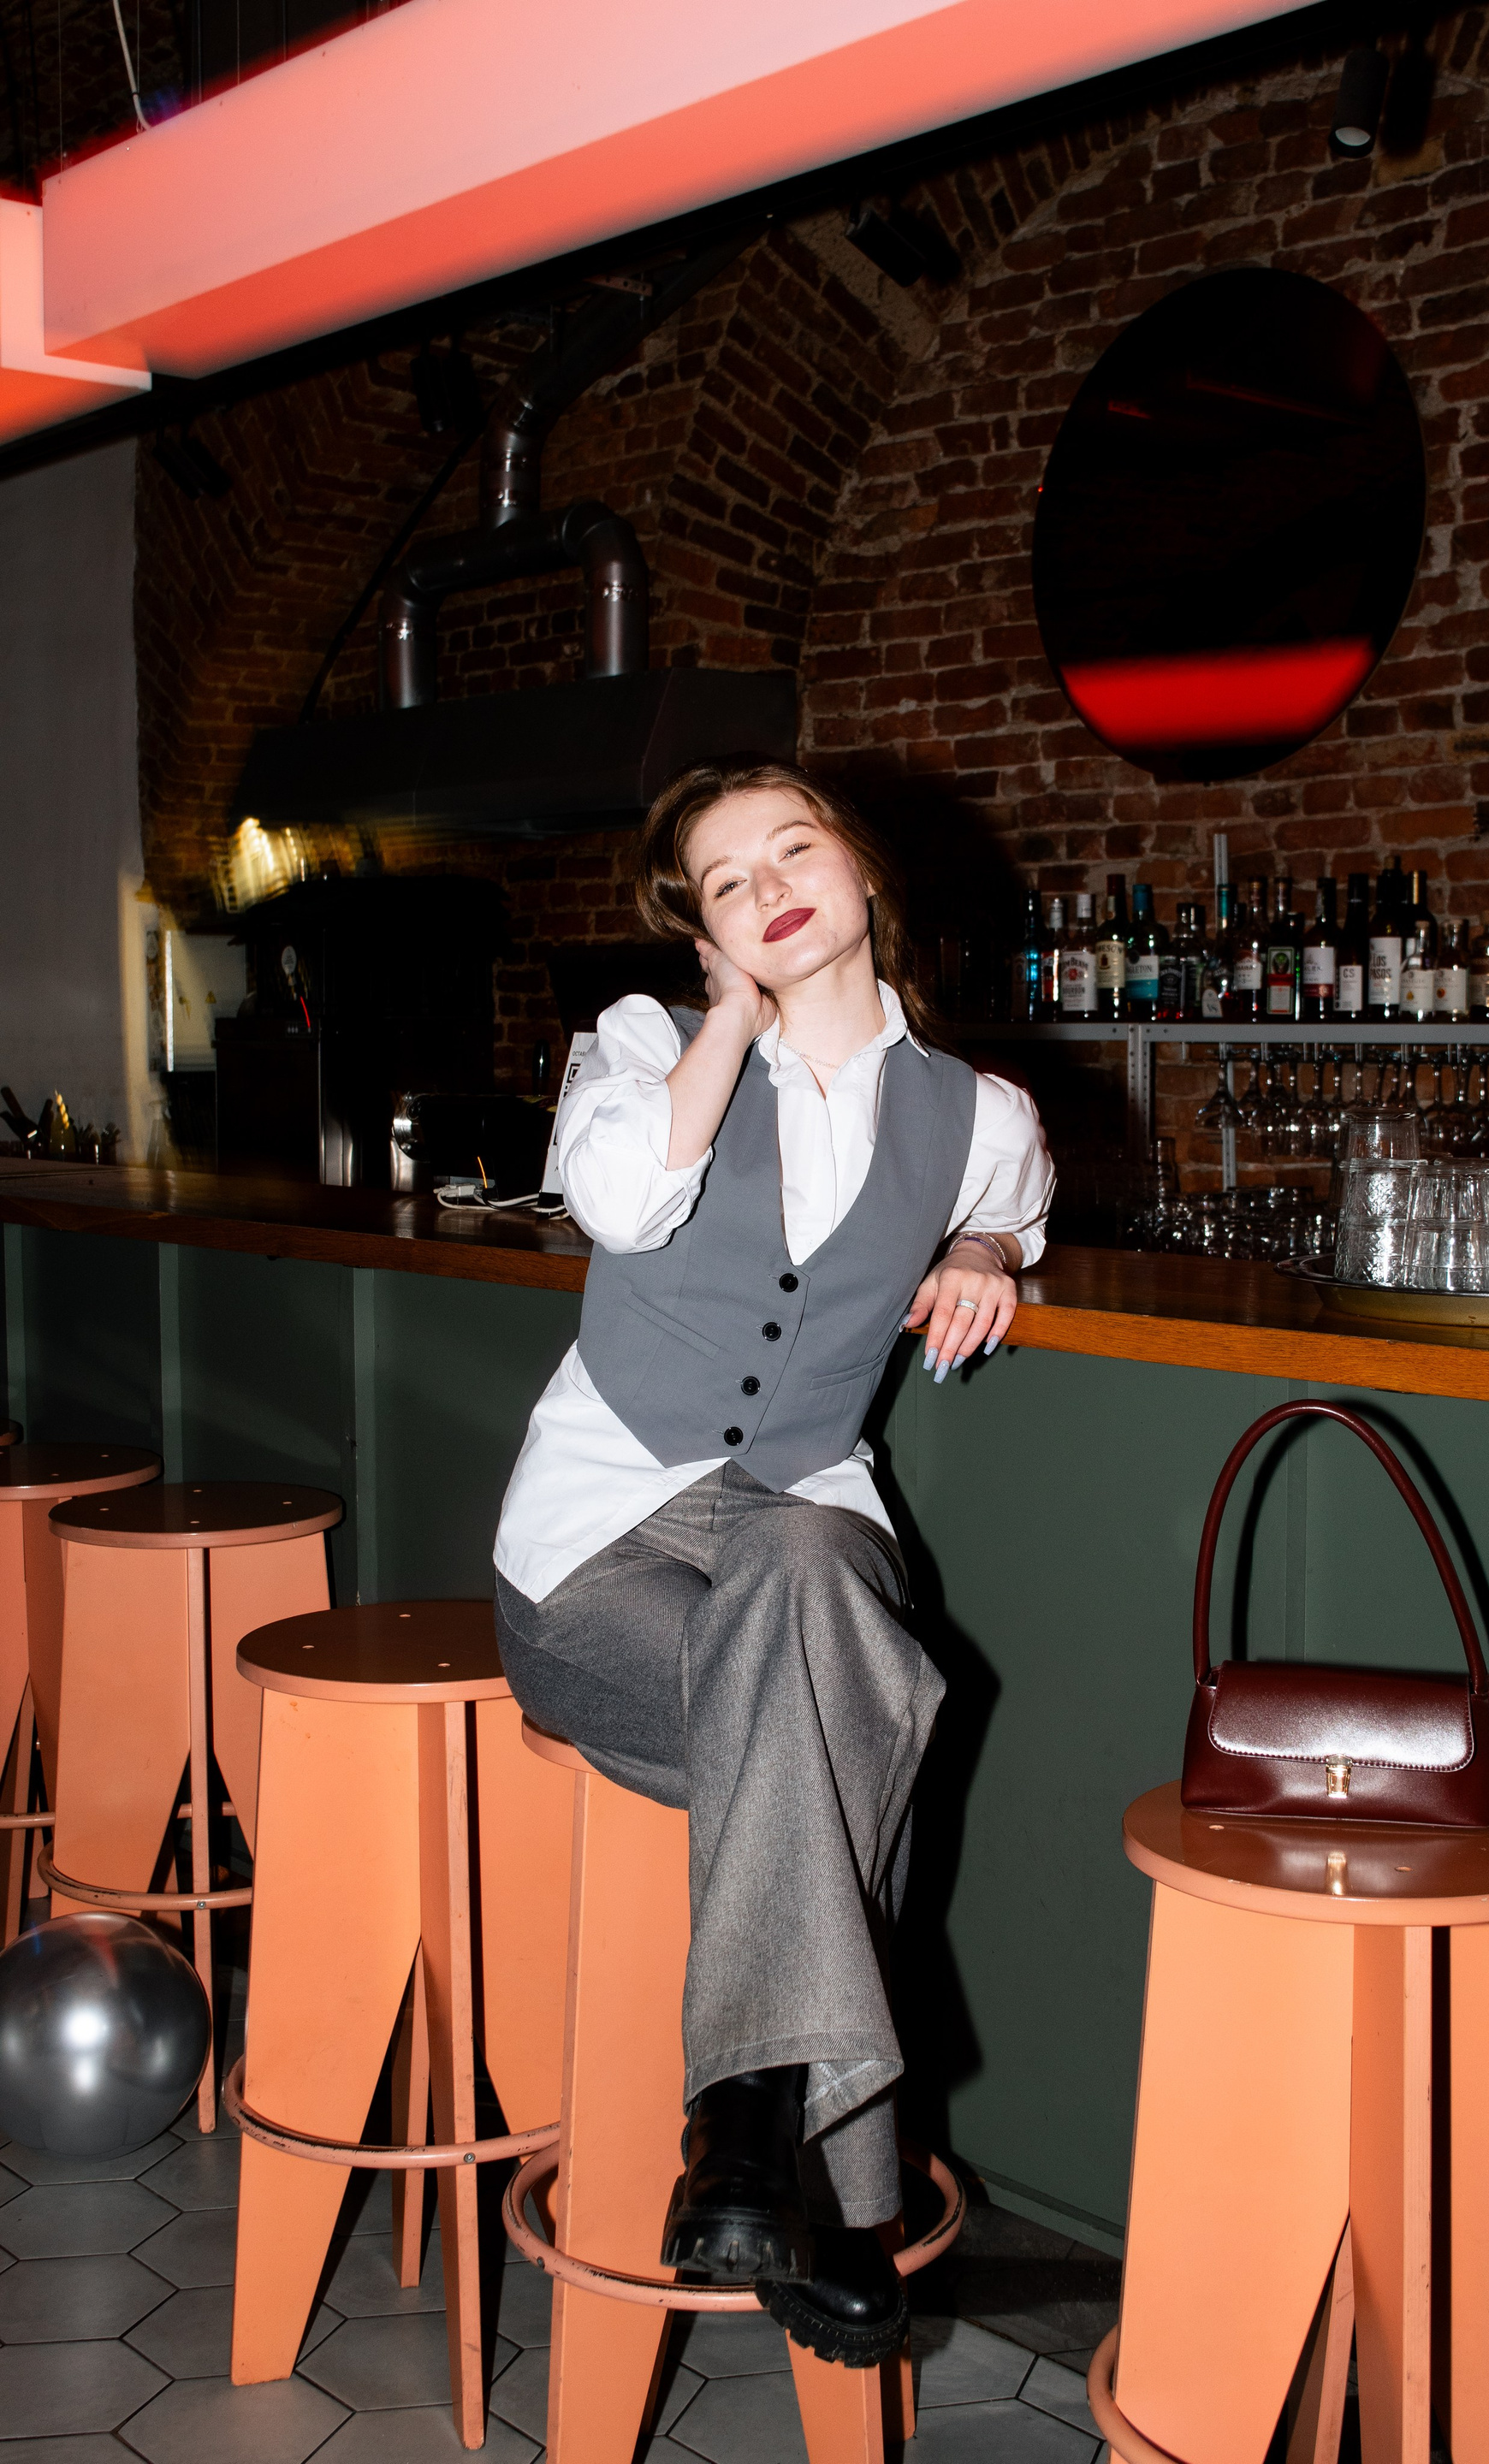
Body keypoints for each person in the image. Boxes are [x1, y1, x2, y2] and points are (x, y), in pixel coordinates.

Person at [493, 757, 1053, 2366]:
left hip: (801, 1516)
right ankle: (844, 2196)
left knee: (807, 1590)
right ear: (704, 930)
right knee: (826, 1714)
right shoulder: (646, 1045)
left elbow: (1021, 1200)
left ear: (863, 870)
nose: (770, 888)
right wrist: (728, 1021)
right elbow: (617, 1199)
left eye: (794, 850)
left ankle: (742, 2141)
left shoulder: (973, 1113)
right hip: (598, 1543)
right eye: (728, 880)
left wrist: (980, 1244)